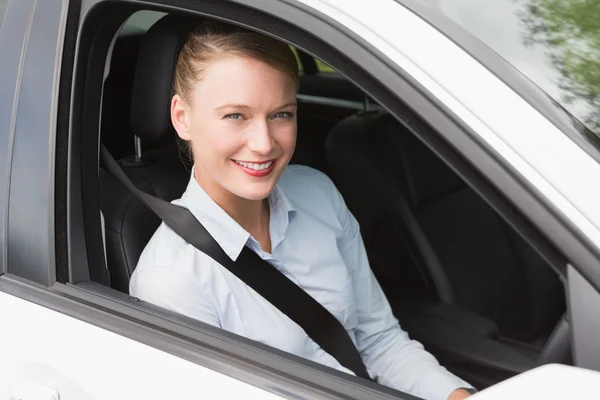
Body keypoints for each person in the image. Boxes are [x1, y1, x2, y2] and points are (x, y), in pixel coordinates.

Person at [130, 19, 474, 400]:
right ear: (183, 118)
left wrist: (457, 396)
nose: (264, 144)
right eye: (235, 116)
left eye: (281, 114)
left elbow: (379, 341)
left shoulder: (317, 193)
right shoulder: (171, 281)